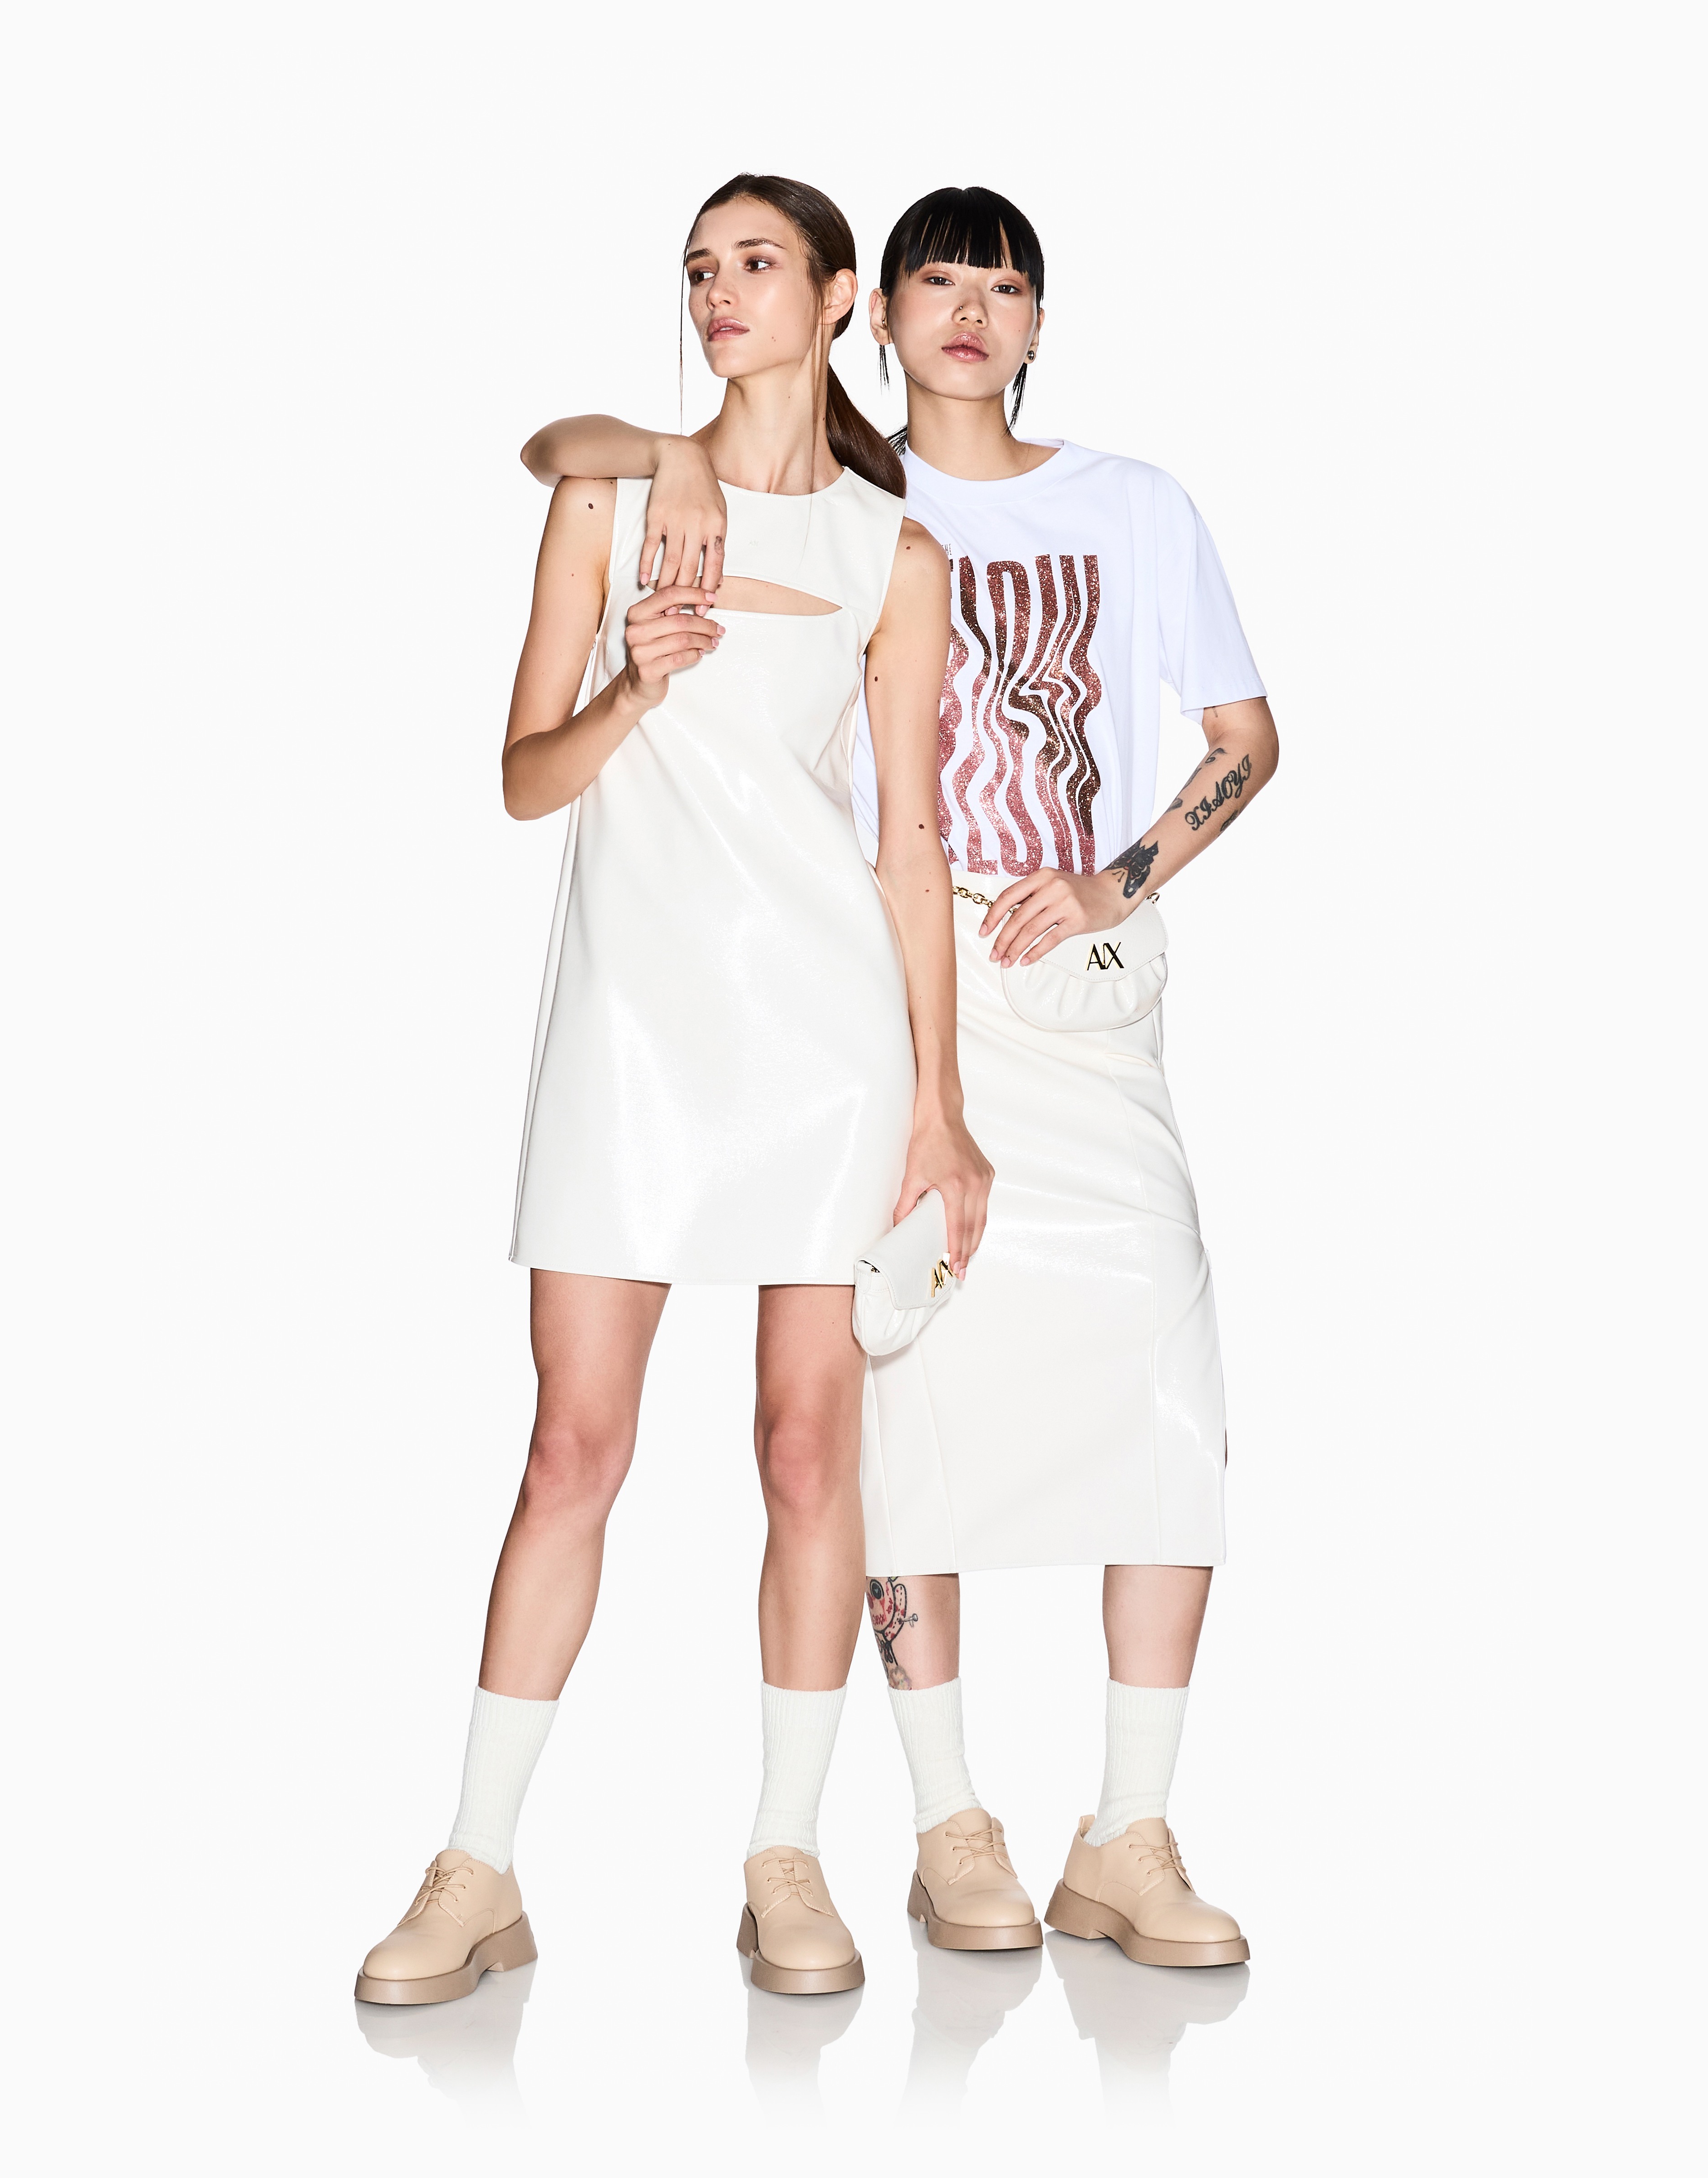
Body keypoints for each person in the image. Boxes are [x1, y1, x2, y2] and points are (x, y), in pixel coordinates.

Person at [519, 183, 1276, 1972]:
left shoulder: (1130, 506)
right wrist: (670, 457)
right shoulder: (847, 503)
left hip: (1060, 987)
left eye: (1003, 288)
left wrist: (1121, 875)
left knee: (1170, 1397)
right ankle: (949, 1822)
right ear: (878, 313)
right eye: (939, 282)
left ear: (1038, 323)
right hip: (857, 981)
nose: (970, 313)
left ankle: (1133, 1828)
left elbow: (1244, 736)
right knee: (903, 1416)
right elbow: (572, 454)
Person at [356, 173, 991, 2009]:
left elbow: (914, 846)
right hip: (633, 1036)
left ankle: (786, 1857)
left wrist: (941, 1110)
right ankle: (476, 1867)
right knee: (574, 1448)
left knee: (809, 1452)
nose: (721, 290)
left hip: (827, 1041)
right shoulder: (611, 496)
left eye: (758, 264)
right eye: (700, 268)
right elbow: (522, 783)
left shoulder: (895, 553)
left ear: (840, 296)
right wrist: (632, 683)